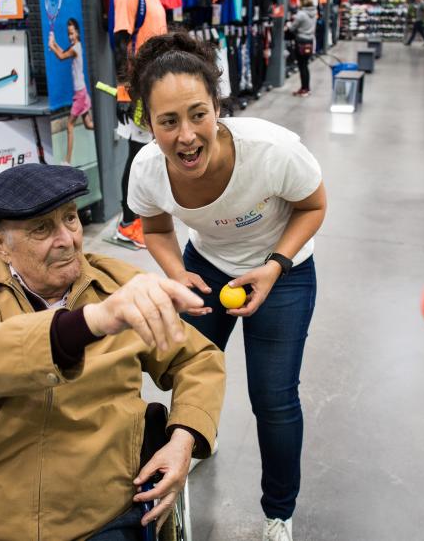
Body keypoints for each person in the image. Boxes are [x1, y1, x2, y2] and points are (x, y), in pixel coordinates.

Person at [0, 163, 225, 540]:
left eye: (70, 219)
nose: (66, 239)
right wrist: (94, 321)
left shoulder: (120, 284)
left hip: (97, 510)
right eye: (41, 229)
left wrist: (183, 440)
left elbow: (198, 358)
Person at [126, 32, 327, 541]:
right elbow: (153, 228)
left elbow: (313, 206)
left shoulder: (272, 150)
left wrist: (275, 265)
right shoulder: (148, 170)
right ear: (148, 124)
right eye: (168, 121)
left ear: (218, 105)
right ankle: (191, 446)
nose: (187, 135)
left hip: (284, 272)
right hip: (207, 268)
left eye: (198, 114)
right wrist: (176, 271)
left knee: (273, 399)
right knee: (192, 372)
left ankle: (278, 511)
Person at [112, 0, 178, 248]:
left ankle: (140, 218)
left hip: (153, 89)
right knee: (135, 157)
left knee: (148, 155)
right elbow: (120, 44)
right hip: (137, 92)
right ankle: (126, 224)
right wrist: (126, 90)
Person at [49, 18, 94, 165]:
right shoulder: (75, 46)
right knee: (88, 124)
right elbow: (62, 51)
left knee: (69, 125)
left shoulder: (76, 48)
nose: (70, 37)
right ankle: (107, 130)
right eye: (68, 34)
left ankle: (67, 161)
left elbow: (61, 56)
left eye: (72, 33)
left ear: (78, 33)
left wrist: (51, 45)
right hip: (81, 92)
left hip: (80, 94)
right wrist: (54, 43)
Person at [287, 0, 317, 97]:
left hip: (301, 42)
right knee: (305, 65)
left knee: (302, 66)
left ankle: (305, 89)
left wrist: (288, 24)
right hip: (310, 41)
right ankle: (305, 87)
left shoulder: (301, 14)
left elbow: (292, 28)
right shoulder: (314, 12)